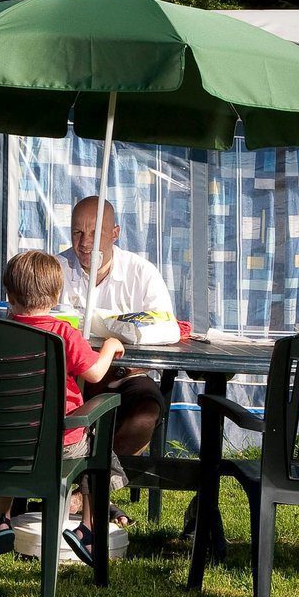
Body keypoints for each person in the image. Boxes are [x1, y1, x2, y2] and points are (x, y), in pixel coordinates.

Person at [0, 250, 125, 565]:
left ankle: (3, 519)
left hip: (8, 441)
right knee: (96, 448)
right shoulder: (64, 333)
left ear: (8, 293)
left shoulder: (0, 332)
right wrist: (109, 346)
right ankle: (87, 529)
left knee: (18, 453)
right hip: (59, 443)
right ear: (57, 294)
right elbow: (93, 373)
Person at [55, 196, 172, 524]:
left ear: (116, 233)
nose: (84, 243)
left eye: (94, 233)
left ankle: (83, 492)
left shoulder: (141, 273)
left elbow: (165, 325)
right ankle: (94, 499)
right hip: (69, 378)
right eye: (77, 232)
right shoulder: (56, 269)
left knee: (147, 410)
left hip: (124, 375)